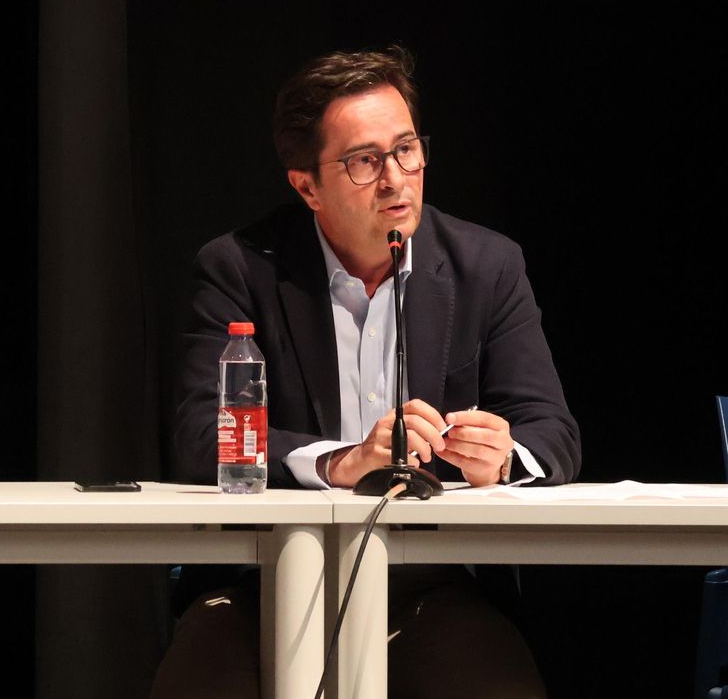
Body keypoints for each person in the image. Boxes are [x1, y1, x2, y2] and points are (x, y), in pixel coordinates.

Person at [154, 48, 580, 698]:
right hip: (260, 583)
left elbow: (551, 433)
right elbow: (197, 435)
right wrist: (338, 463)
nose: (397, 179)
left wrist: (501, 456)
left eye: (407, 149)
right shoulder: (239, 269)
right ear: (307, 185)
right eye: (365, 161)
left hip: (435, 584)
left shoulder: (487, 267)